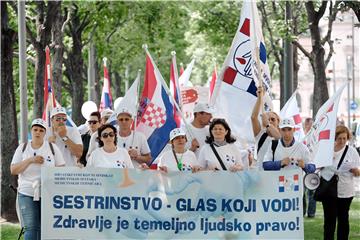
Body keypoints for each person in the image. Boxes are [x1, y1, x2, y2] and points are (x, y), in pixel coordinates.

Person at [10, 119, 65, 240]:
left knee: (47, 227)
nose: (38, 132)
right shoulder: (23, 147)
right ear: (31, 131)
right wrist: (30, 160)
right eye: (35, 129)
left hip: (48, 194)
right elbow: (13, 170)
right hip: (27, 192)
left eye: (41, 130)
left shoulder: (52, 148)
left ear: (45, 133)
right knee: (31, 227)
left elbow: (61, 170)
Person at [320, 125, 360, 240]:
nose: (342, 141)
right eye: (339, 138)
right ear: (334, 138)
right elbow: (317, 167)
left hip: (345, 191)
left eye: (344, 138)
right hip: (328, 189)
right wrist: (324, 163)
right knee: (329, 220)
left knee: (343, 219)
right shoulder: (327, 150)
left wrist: (356, 171)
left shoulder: (352, 151)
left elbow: (358, 171)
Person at [251, 85, 281, 170]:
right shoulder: (260, 135)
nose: (270, 121)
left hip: (277, 174)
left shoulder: (283, 135)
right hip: (262, 174)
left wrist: (268, 124)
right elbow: (253, 117)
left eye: (273, 119)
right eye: (268, 119)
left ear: (278, 122)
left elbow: (278, 137)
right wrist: (260, 98)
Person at [302, 117, 316, 218]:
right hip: (301, 167)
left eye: (311, 125)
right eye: (307, 125)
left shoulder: (315, 138)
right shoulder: (301, 136)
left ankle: (311, 213)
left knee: (312, 191)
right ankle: (301, 211)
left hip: (311, 167)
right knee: (301, 191)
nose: (309, 127)